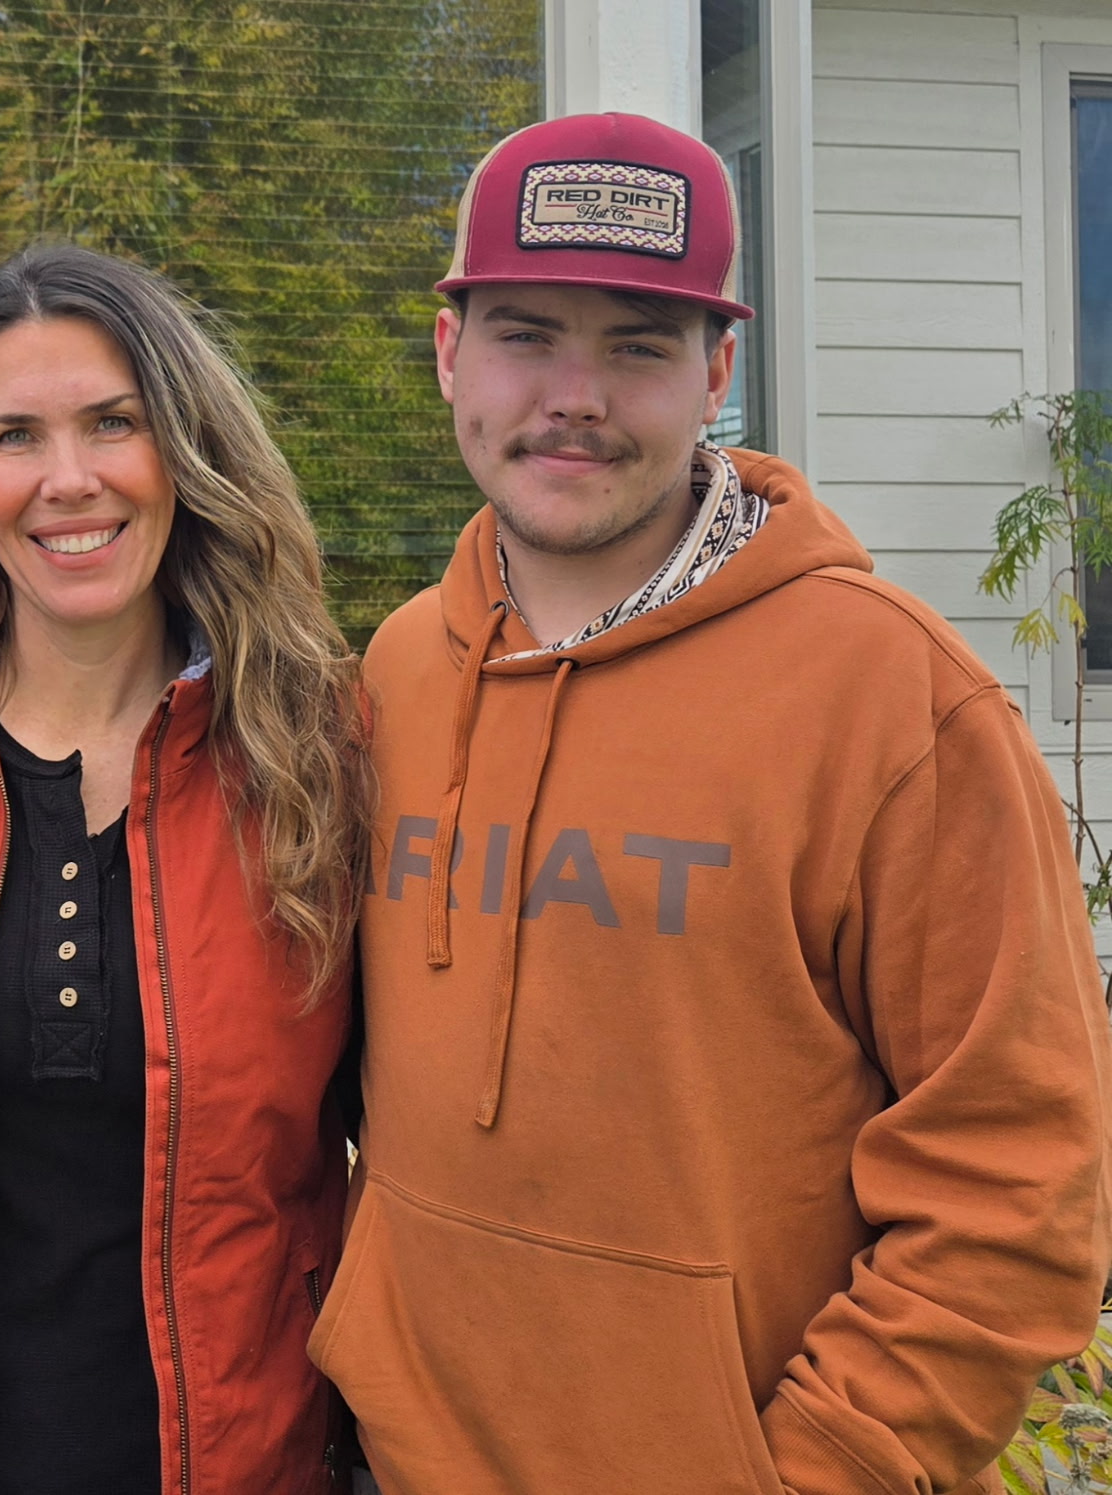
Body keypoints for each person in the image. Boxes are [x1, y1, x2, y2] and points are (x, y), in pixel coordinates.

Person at [306, 109, 1112, 1495]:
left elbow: (1018, 1178)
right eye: (525, 332)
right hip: (398, 1458)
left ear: (718, 369)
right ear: (449, 353)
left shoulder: (893, 701)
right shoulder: (396, 671)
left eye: (638, 343)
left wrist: (825, 1464)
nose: (577, 392)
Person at [0, 242, 370, 1495]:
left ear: (182, 452)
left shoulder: (322, 755)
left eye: (113, 423)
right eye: (12, 435)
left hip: (250, 1465)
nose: (68, 480)